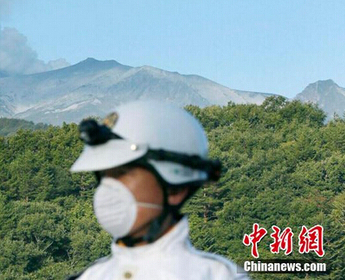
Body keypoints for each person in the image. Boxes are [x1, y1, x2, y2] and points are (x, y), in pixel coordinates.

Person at [67, 100, 249, 280]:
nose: (108, 188)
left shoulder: (217, 276)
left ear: (175, 189)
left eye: (123, 173)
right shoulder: (90, 276)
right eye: (104, 176)